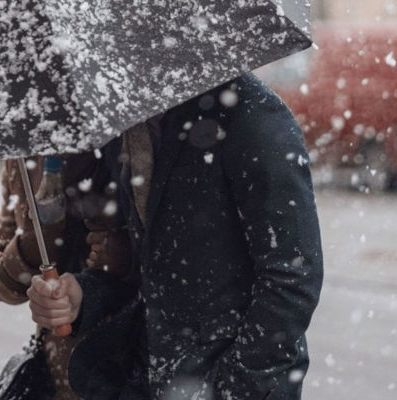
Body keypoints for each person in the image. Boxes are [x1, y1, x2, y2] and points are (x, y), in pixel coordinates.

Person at [27, 74, 324, 400]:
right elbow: (147, 267)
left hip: (226, 384)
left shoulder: (251, 113)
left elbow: (292, 278)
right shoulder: (127, 122)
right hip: (151, 377)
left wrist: (235, 385)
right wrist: (84, 296)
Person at [0, 153, 135, 400]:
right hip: (53, 371)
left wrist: (82, 294)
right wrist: (37, 237)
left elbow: (124, 268)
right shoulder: (20, 158)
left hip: (117, 370)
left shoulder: (112, 148)